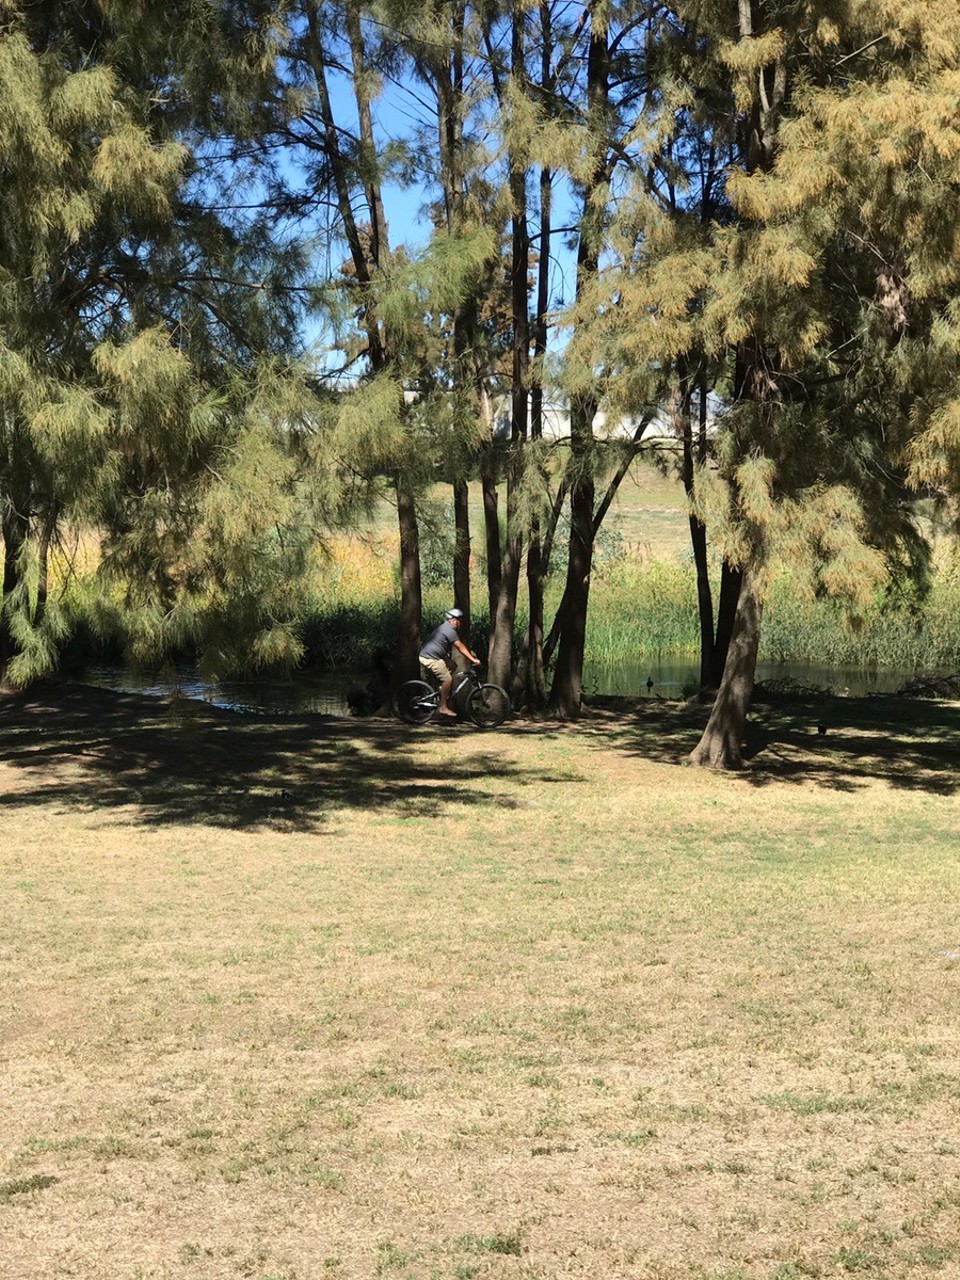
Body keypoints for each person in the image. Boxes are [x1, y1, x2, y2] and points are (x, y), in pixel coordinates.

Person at [419, 608, 481, 717]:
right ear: (453, 620)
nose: (460, 623)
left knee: (453, 665)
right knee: (448, 679)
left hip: (434, 656)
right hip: (430, 658)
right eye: (459, 620)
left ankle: (442, 689)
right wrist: (472, 659)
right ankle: (443, 707)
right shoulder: (449, 630)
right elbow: (460, 646)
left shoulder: (446, 627)